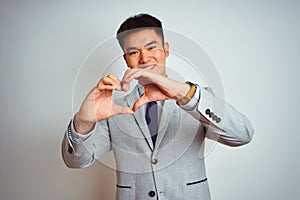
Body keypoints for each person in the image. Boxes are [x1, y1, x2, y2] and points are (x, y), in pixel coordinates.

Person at [62, 13, 254, 200]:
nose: (144, 58)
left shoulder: (197, 98)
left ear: (166, 50)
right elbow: (76, 161)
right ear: (126, 59)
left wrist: (181, 93)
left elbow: (242, 135)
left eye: (151, 47)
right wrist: (83, 122)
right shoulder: (113, 109)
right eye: (134, 52)